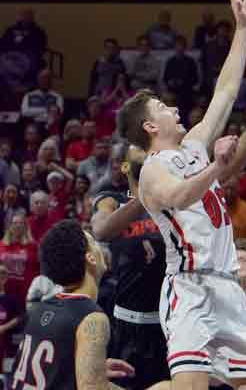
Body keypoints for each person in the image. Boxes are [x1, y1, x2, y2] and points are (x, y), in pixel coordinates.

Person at [117, 0, 246, 390]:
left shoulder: (192, 146)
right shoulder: (155, 167)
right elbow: (178, 196)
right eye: (162, 107)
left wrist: (242, 29)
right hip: (189, 287)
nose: (173, 106)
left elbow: (225, 92)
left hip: (227, 287)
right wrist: (215, 168)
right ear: (152, 126)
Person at [10, 220, 170, 389]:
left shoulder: (40, 309)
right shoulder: (91, 317)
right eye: (93, 242)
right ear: (91, 258)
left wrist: (84, 368)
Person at [91, 144, 169, 390]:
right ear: (124, 166)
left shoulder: (171, 201)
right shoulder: (110, 200)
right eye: (138, 147)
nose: (146, 149)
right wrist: (142, 197)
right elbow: (101, 230)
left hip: (164, 326)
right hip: (123, 325)